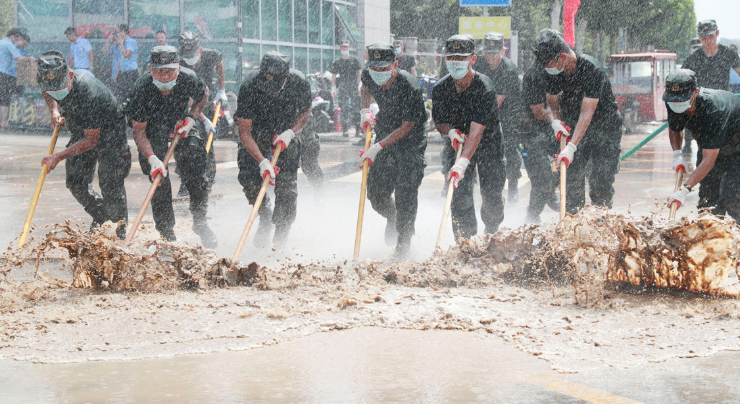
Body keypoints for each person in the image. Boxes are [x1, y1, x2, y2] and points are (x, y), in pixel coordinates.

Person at [125, 45, 217, 247]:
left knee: (196, 164)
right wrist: (152, 158)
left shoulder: (189, 77)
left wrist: (192, 119)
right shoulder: (140, 90)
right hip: (152, 127)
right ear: (150, 68)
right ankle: (167, 233)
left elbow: (203, 95)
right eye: (159, 71)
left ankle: (200, 222)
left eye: (170, 71)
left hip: (180, 119)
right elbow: (139, 131)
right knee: (158, 178)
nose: (165, 76)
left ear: (178, 67)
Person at [37, 51, 130, 238]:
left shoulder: (88, 91)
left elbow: (91, 140)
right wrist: (54, 110)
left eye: (60, 86)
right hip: (82, 128)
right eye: (51, 87)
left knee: (111, 184)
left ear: (70, 75)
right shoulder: (45, 78)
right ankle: (102, 217)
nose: (56, 90)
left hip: (110, 133)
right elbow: (46, 91)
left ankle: (120, 233)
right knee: (75, 181)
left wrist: (57, 156)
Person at [532, 29, 622, 214]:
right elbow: (552, 104)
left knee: (600, 184)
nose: (546, 68)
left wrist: (571, 147)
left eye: (549, 64)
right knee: (571, 181)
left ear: (563, 58)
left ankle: (600, 229)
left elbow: (586, 113)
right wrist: (556, 122)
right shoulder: (552, 72)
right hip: (574, 126)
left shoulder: (591, 70)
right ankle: (573, 229)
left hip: (604, 129)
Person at [432, 34, 505, 242]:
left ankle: (491, 231)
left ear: (473, 59)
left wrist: (463, 162)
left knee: (492, 194)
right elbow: (440, 122)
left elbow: (477, 130)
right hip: (458, 143)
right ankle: (465, 242)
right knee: (458, 193)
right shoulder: (440, 88)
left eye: (461, 58)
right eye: (451, 57)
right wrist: (451, 132)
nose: (456, 63)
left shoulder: (484, 87)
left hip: (487, 143)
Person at [234, 51, 311, 248]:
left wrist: (291, 133)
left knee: (286, 185)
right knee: (248, 176)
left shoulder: (299, 83)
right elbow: (244, 131)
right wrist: (262, 161)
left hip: (286, 129)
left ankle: (281, 231)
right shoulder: (250, 86)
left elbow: (305, 112)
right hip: (257, 130)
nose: (270, 91)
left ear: (286, 77)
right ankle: (264, 214)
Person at [359, 43, 427, 257]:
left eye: (383, 69)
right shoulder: (368, 75)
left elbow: (407, 126)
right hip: (385, 127)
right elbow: (365, 88)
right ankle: (393, 216)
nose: (377, 73)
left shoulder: (410, 85)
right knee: (376, 193)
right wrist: (364, 111)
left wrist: (377, 147)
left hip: (410, 139)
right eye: (374, 68)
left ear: (395, 65)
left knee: (406, 190)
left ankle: (404, 242)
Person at [665, 69, 740, 219]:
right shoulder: (672, 101)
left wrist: (685, 189)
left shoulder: (714, 108)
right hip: (710, 143)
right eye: (674, 99)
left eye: (682, 99)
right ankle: (712, 237)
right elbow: (675, 127)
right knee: (708, 201)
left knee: (733, 196)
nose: (677, 103)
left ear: (695, 92)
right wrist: (677, 154)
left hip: (736, 144)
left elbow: (709, 160)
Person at [474, 32, 523, 203]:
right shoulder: (478, 63)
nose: (490, 57)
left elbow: (497, 102)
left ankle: (513, 185)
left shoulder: (508, 69)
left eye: (494, 53)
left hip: (507, 112)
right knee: (476, 144)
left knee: (509, 148)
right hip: (482, 106)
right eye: (487, 52)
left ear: (503, 51)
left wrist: (479, 119)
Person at [681, 20, 740, 159]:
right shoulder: (694, 59)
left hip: (723, 107)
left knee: (728, 148)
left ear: (717, 33)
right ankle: (707, 176)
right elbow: (682, 79)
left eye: (710, 37)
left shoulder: (728, 53)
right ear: (699, 36)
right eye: (703, 38)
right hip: (704, 109)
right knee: (706, 151)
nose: (707, 41)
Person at [175, 31, 224, 197]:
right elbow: (188, 101)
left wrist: (222, 90)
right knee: (188, 143)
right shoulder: (178, 63)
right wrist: (203, 120)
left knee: (207, 145)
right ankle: (185, 183)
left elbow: (220, 64)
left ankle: (207, 182)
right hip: (186, 108)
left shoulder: (210, 55)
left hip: (208, 104)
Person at [519, 63, 560, 223]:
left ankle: (550, 192)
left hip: (558, 131)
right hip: (534, 133)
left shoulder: (566, 72)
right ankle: (532, 218)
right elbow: (539, 111)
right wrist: (558, 118)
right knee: (541, 179)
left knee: (572, 169)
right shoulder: (534, 75)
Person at [0, 28, 33, 129]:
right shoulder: (9, 44)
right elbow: (18, 57)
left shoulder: (1, 42)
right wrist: (30, 59)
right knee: (5, 99)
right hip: (5, 74)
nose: (17, 41)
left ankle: (4, 121)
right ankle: (4, 122)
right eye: (17, 38)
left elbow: (13, 58)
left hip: (3, 73)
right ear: (13, 37)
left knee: (3, 98)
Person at [331, 40, 362, 137]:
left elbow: (359, 72)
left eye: (346, 47)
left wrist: (360, 84)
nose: (345, 49)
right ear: (340, 48)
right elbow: (333, 75)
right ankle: (345, 129)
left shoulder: (354, 60)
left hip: (353, 86)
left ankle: (358, 130)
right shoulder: (337, 61)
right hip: (343, 86)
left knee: (357, 108)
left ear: (349, 48)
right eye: (343, 47)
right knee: (344, 108)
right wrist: (333, 88)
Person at [104, 24, 139, 105]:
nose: (118, 35)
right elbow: (121, 60)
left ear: (123, 32)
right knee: (121, 96)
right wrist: (117, 75)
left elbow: (126, 55)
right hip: (122, 73)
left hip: (131, 72)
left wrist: (121, 44)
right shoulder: (121, 43)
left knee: (130, 94)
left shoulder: (131, 42)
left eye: (119, 32)